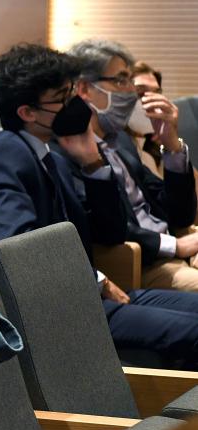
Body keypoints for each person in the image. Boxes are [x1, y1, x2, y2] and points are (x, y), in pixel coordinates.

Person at [0, 43, 198, 368]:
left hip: (85, 294)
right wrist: (96, 280)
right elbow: (20, 250)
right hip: (57, 309)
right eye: (62, 98)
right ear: (28, 113)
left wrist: (92, 164)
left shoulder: (50, 154)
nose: (75, 103)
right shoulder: (4, 159)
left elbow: (110, 232)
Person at [65, 39, 198, 291]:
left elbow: (180, 213)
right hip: (142, 263)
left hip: (178, 245)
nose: (130, 91)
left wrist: (172, 147)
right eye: (121, 81)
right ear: (84, 89)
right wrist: (175, 246)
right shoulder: (69, 152)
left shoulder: (121, 141)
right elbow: (106, 229)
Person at [131, 60, 165, 176]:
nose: (152, 101)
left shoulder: (156, 144)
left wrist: (173, 147)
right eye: (141, 93)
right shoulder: (113, 149)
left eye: (156, 94)